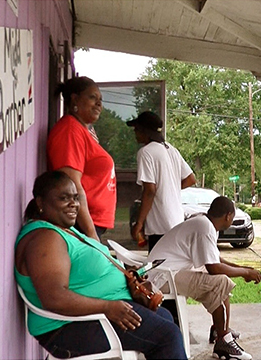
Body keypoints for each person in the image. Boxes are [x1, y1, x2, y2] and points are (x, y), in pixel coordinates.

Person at [15, 171, 187, 359]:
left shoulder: (65, 229)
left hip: (101, 312)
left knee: (165, 317)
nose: (73, 204)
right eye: (63, 198)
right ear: (40, 203)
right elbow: (54, 298)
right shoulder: (45, 239)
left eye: (75, 197)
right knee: (168, 336)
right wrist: (107, 307)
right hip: (66, 328)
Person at [147, 196, 261, 360]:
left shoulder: (205, 223)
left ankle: (220, 330)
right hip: (162, 278)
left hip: (167, 272)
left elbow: (215, 260)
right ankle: (223, 341)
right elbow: (214, 268)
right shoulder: (205, 227)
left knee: (223, 283)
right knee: (220, 282)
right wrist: (245, 273)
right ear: (228, 216)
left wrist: (244, 269)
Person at [47, 76, 116, 241]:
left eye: (100, 99)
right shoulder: (70, 131)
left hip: (91, 223)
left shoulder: (82, 129)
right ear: (75, 99)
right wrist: (91, 234)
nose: (99, 104)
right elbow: (71, 186)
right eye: (92, 97)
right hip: (81, 225)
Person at [126, 111, 196, 251]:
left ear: (144, 131)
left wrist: (139, 223)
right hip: (176, 221)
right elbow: (190, 179)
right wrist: (169, 188)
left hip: (160, 226)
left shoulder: (146, 152)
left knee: (158, 269)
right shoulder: (171, 149)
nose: (135, 133)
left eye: (137, 129)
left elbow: (149, 191)